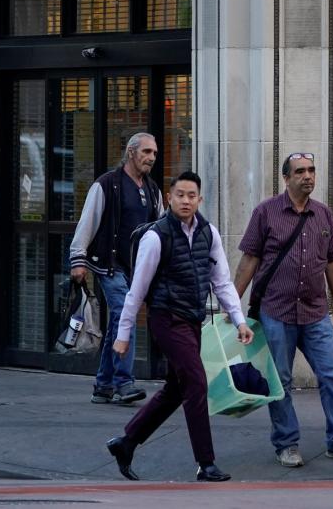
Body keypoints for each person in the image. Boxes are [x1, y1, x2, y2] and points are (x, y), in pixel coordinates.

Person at [105, 171, 252, 483]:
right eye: (180, 195)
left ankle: (127, 443)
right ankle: (206, 463)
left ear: (200, 199)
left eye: (191, 195)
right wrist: (123, 335)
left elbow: (223, 283)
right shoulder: (155, 237)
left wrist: (239, 320)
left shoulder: (209, 233)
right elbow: (137, 290)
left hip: (192, 319)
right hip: (166, 319)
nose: (186, 200)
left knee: (176, 388)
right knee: (197, 382)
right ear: (169, 199)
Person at [234, 153, 333, 468]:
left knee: (332, 376)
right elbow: (249, 261)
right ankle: (286, 443)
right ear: (286, 178)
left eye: (311, 170)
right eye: (300, 171)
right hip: (276, 312)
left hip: (315, 312)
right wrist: (233, 305)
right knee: (279, 381)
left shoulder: (323, 215)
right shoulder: (265, 213)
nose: (307, 176)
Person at [69, 132, 164, 406]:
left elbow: (159, 229)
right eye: (146, 152)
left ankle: (103, 385)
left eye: (154, 153)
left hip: (136, 269)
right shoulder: (107, 184)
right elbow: (88, 221)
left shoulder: (152, 189)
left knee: (116, 323)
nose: (151, 158)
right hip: (109, 266)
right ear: (131, 152)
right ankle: (124, 382)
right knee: (125, 315)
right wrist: (77, 258)